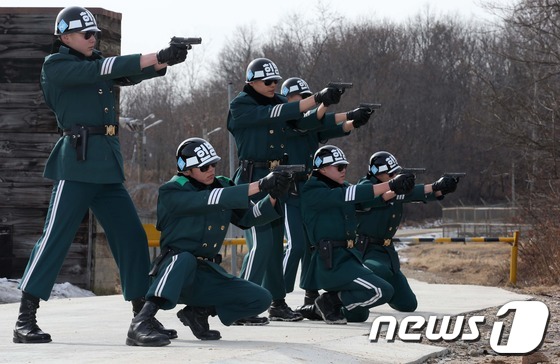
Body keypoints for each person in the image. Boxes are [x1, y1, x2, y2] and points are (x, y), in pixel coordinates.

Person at [13, 6, 187, 344]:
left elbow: (126, 74)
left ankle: (141, 321)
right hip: (75, 165)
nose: (94, 39)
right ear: (64, 37)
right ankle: (25, 319)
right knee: (55, 240)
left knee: (132, 238)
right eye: (87, 34)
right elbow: (111, 67)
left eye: (96, 34)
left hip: (105, 165)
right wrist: (155, 54)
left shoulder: (94, 65)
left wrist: (165, 60)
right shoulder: (57, 65)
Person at [126, 138, 291, 346]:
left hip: (205, 272)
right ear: (186, 170)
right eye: (204, 166)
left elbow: (250, 217)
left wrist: (273, 196)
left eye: (213, 164)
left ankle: (198, 312)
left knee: (261, 298)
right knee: (184, 259)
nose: (211, 169)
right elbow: (210, 199)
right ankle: (141, 321)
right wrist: (260, 185)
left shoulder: (222, 186)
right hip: (173, 273)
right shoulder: (173, 191)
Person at [227, 58, 344, 324]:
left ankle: (276, 303)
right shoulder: (240, 104)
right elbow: (278, 114)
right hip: (253, 179)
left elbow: (305, 123)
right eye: (268, 81)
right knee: (263, 243)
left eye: (276, 81)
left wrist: (328, 103)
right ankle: (240, 304)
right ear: (251, 82)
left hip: (278, 179)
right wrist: (316, 97)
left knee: (274, 243)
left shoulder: (278, 102)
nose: (273, 86)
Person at [278, 77, 374, 320]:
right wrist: (328, 105)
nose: (304, 102)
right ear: (287, 99)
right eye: (299, 98)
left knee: (314, 244)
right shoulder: (284, 122)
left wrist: (355, 119)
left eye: (307, 97)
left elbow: (331, 126)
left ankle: (311, 296)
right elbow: (313, 121)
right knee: (297, 245)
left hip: (313, 193)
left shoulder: (312, 125)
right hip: (290, 193)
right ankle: (277, 298)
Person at [299, 145, 416, 324]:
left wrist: (396, 189)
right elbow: (350, 195)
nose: (344, 170)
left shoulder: (342, 187)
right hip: (330, 262)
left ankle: (324, 305)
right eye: (339, 167)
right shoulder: (313, 191)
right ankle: (328, 302)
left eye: (345, 166)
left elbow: (365, 200)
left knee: (360, 314)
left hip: (348, 258)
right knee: (381, 291)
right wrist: (391, 184)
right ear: (322, 169)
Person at [346, 151, 459, 321]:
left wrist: (439, 189)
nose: (394, 176)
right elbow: (379, 196)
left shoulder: (393, 187)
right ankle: (346, 297)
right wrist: (432, 186)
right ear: (378, 172)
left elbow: (411, 193)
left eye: (396, 173)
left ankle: (377, 289)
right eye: (391, 174)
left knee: (408, 304)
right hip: (365, 251)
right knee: (378, 271)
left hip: (387, 252)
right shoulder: (365, 187)